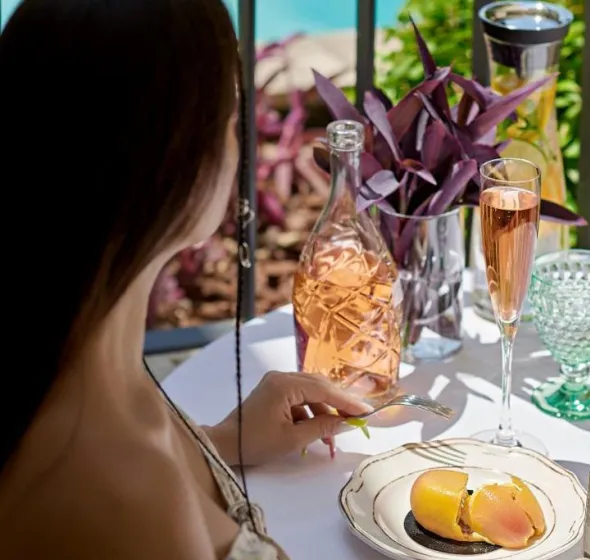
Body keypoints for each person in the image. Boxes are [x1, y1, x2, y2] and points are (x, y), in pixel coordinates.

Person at [0, 1, 373, 559]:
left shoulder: (81, 358)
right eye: (232, 119)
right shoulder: (126, 501)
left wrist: (222, 440)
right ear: (176, 160)